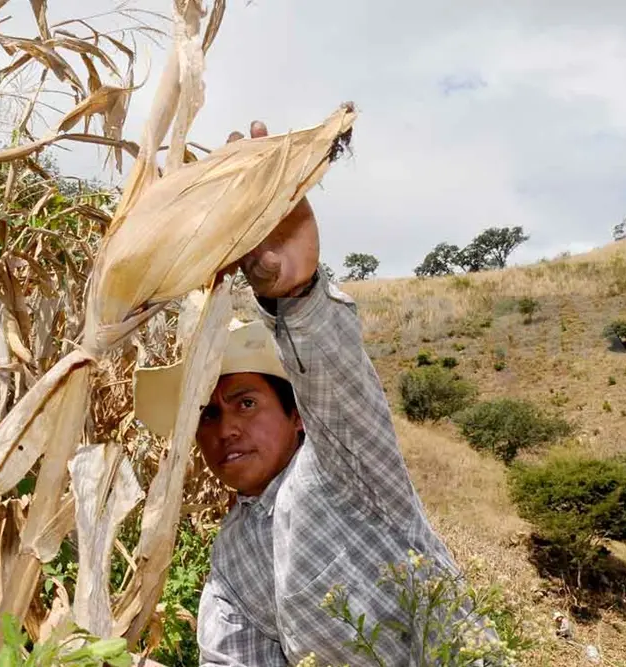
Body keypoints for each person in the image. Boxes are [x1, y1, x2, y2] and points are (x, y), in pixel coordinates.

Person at [133, 120, 473, 666]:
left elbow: (337, 382)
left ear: (298, 418)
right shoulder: (231, 562)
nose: (226, 429)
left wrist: (295, 292)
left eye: (246, 402)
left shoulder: (342, 465)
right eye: (206, 416)